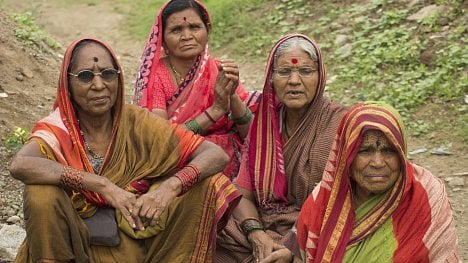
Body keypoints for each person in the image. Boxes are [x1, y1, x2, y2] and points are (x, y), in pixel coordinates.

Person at [9, 38, 242, 262]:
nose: (99, 85)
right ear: (67, 83)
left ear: (118, 78)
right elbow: (21, 164)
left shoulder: (137, 122)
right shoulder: (59, 127)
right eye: (85, 76)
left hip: (130, 241)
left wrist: (170, 188)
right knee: (40, 193)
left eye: (108, 74)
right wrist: (101, 185)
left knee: (206, 183)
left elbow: (214, 154)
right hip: (70, 240)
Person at [216, 33, 347, 263]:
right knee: (207, 230)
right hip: (264, 228)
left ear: (320, 77)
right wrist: (256, 234)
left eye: (306, 71)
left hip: (313, 231)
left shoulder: (338, 124)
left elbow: (341, 201)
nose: (294, 80)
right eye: (284, 72)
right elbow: (242, 194)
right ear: (271, 79)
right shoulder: (265, 125)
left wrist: (293, 246)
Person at [295, 101, 460, 262]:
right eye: (365, 151)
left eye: (389, 151)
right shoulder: (324, 201)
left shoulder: (428, 198)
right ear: (347, 156)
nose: (378, 163)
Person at [133, 0, 259, 179]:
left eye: (194, 27)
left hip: (230, 156)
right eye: (176, 30)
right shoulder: (154, 77)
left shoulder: (218, 69)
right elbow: (162, 141)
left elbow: (250, 135)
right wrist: (214, 112)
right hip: (183, 159)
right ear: (162, 38)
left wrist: (231, 95)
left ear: (208, 30)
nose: (187, 36)